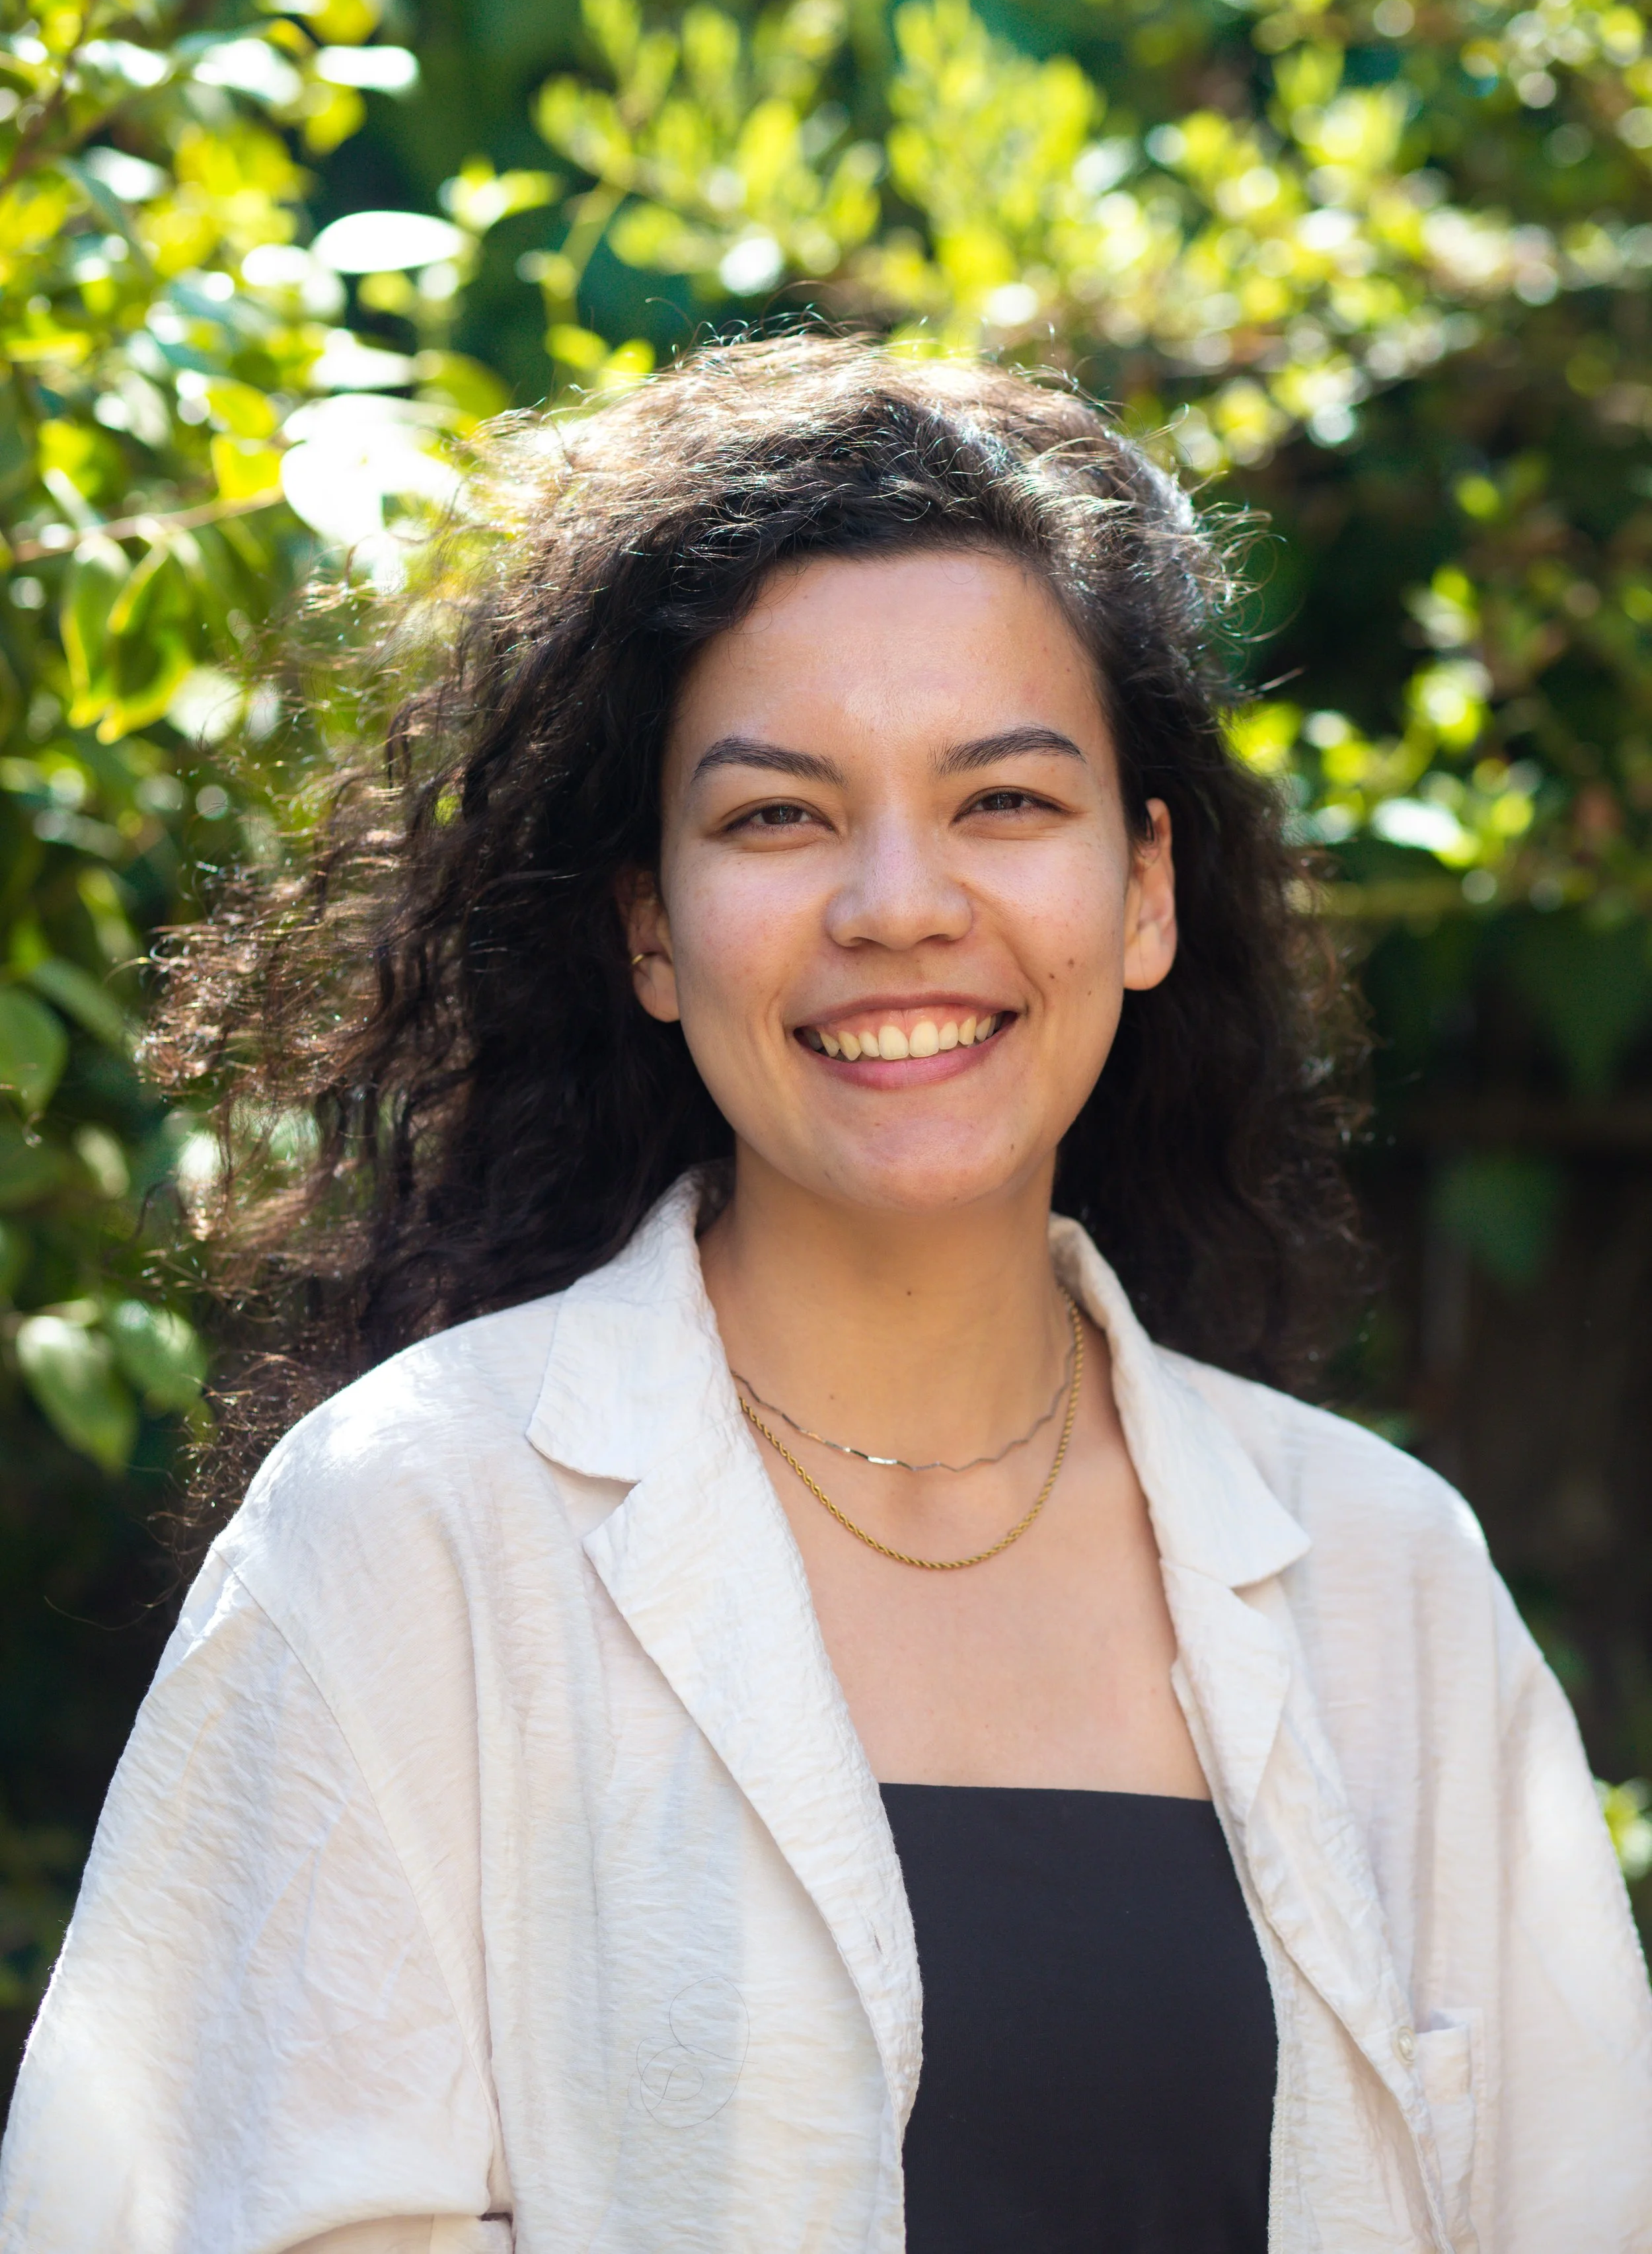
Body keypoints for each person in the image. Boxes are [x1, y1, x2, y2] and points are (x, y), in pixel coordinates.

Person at [1, 336, 1648, 2254]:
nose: (894, 901)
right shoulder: (405, 1534)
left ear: (1143, 890)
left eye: (1004, 802)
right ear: (648, 925)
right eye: (778, 815)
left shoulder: (1389, 1582)